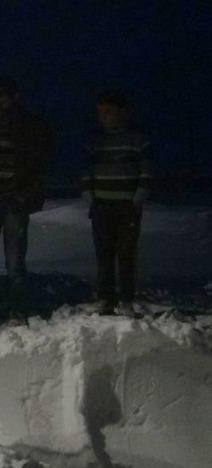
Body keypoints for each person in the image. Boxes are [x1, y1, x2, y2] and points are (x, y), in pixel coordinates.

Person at [0, 76, 53, 321]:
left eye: (3, 99)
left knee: (15, 259)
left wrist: (27, 195)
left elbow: (39, 165)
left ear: (15, 98)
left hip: (16, 200)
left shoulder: (30, 126)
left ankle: (18, 307)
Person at [82, 90, 152, 316]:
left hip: (127, 206)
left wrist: (137, 197)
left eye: (108, 112)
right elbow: (86, 169)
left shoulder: (137, 139)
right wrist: (88, 195)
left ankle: (126, 300)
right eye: (100, 113)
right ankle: (105, 298)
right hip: (101, 204)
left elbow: (146, 171)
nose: (103, 117)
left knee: (126, 254)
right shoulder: (96, 140)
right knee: (104, 254)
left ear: (123, 112)